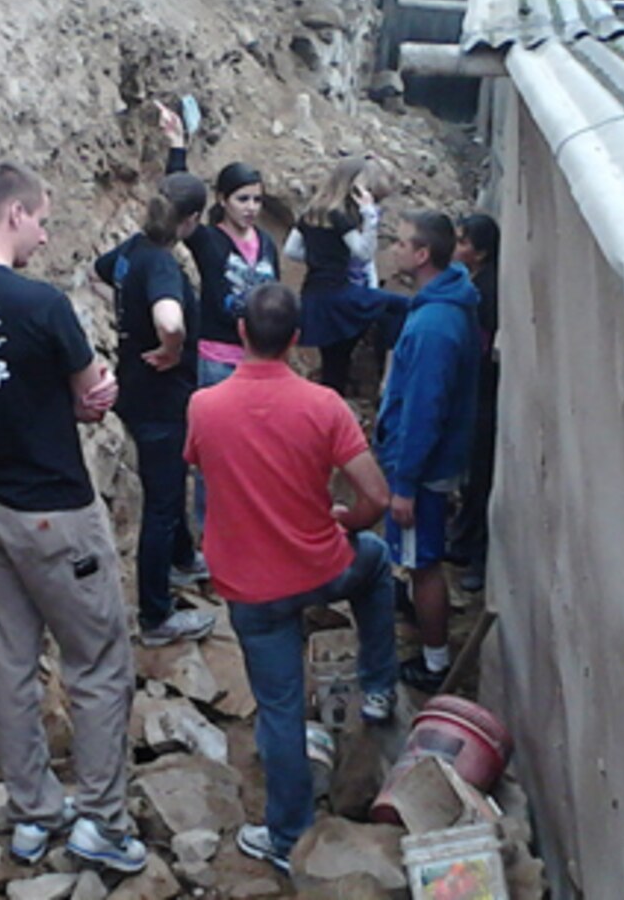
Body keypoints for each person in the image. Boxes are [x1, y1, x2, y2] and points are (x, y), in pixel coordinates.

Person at [0, 163, 148, 873]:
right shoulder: (41, 304)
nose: (45, 236)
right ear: (12, 213)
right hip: (51, 510)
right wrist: (93, 399)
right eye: (42, 219)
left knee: (12, 664)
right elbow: (90, 394)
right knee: (99, 663)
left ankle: (32, 817)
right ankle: (103, 823)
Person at [184, 283, 398, 873]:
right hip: (321, 567)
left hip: (250, 586)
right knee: (375, 563)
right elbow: (375, 495)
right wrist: (346, 520)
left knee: (278, 709)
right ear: (297, 340)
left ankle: (287, 837)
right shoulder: (325, 405)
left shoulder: (205, 406)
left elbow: (200, 464)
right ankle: (378, 685)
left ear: (243, 335)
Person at [94, 172, 219, 647]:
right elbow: (170, 318)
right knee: (163, 503)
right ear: (191, 220)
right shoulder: (163, 265)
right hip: (161, 399)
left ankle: (184, 561)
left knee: (172, 481)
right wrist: (171, 345)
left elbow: (99, 272)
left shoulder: (131, 249)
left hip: (136, 390)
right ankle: (155, 616)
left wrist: (129, 315)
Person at [157, 101, 281, 542]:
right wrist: (177, 148)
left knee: (256, 454)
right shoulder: (208, 241)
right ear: (224, 200)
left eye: (257, 200)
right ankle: (211, 538)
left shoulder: (266, 244)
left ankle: (249, 531)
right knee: (213, 456)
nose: (251, 208)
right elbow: (175, 206)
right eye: (243, 199)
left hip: (256, 361)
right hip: (215, 358)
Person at [376, 211, 480, 692]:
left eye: (400, 243)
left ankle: (434, 662)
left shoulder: (434, 327)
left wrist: (404, 483)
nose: (393, 249)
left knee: (422, 564)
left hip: (424, 471)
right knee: (421, 559)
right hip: (432, 464)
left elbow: (424, 412)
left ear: (422, 256)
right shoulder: (445, 304)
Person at [285, 158, 409, 395]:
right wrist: (370, 215)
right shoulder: (341, 217)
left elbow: (291, 250)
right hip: (340, 296)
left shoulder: (310, 214)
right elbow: (363, 254)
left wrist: (318, 258)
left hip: (313, 298)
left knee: (334, 366)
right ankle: (389, 376)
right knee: (400, 306)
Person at [450, 213, 500, 593]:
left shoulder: (486, 292)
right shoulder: (478, 284)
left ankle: (478, 558)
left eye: (464, 242)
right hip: (477, 394)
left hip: (485, 396)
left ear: (480, 253)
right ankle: (464, 542)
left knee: (480, 475)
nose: (457, 248)